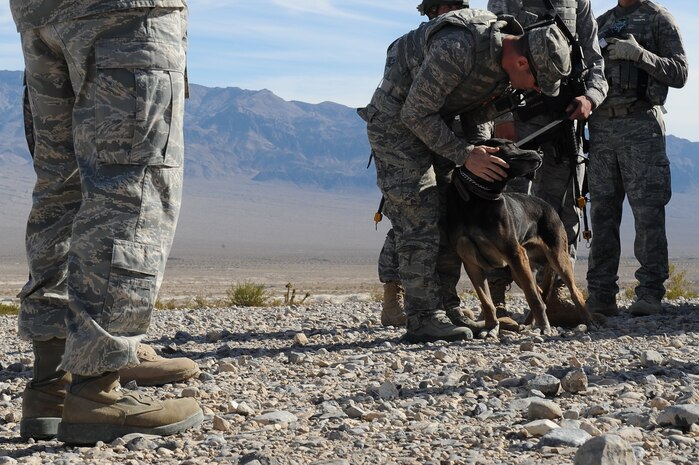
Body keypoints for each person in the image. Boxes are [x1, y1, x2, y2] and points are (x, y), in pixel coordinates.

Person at [11, 0, 203, 444]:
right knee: (132, 187)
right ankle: (97, 387)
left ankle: (51, 385)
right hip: (125, 14)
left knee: (62, 188)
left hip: (40, 14)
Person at [364, 7, 572, 343]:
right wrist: (465, 155)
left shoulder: (504, 67)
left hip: (441, 124)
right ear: (522, 62)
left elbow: (475, 112)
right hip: (397, 126)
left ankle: (448, 309)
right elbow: (414, 113)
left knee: (453, 211)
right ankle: (422, 319)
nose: (533, 89)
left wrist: (479, 154)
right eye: (536, 81)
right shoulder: (458, 47)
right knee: (420, 214)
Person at [486, 0, 608, 316]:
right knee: (504, 209)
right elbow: (495, 52)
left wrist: (590, 97)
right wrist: (500, 119)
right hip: (519, 117)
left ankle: (553, 295)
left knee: (562, 211)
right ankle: (496, 298)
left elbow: (595, 61)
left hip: (564, 120)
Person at [378, 0, 489, 328]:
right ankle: (393, 294)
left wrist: (478, 143)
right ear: (435, 11)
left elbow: (474, 103)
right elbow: (401, 104)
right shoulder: (406, 46)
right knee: (411, 220)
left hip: (451, 143)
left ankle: (445, 300)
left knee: (447, 220)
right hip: (410, 141)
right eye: (451, 8)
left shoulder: (469, 43)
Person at [586, 0, 688, 316]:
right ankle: (601, 295)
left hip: (641, 124)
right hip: (601, 127)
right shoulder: (600, 21)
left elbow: (680, 72)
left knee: (647, 212)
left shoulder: (659, 19)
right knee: (602, 213)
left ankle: (649, 294)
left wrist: (640, 56)